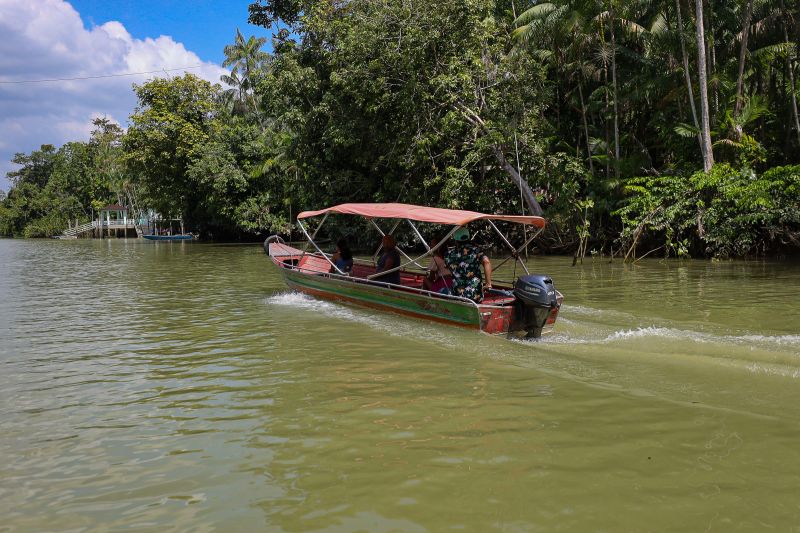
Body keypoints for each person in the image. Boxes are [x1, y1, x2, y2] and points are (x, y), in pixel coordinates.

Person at [444, 227, 492, 302]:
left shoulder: (448, 254)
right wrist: (488, 284)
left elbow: (447, 266)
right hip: (475, 296)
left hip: (457, 295)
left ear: (455, 239)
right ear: (468, 237)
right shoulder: (476, 250)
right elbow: (486, 262)